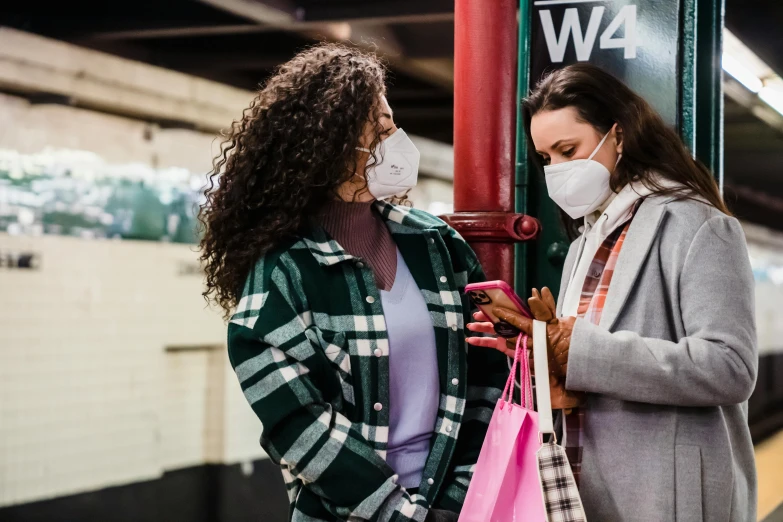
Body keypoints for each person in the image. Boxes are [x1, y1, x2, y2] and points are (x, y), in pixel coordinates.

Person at [198, 43, 507, 522]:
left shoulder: (436, 245)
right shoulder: (282, 278)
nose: (395, 139)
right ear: (327, 146)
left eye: (391, 123)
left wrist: (455, 501)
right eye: (378, 130)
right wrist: (399, 516)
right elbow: (300, 426)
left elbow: (489, 375)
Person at [467, 64, 758, 522]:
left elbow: (730, 367)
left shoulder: (698, 225)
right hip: (584, 484)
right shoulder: (584, 240)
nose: (558, 171)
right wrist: (539, 358)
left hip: (663, 493)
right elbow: (587, 366)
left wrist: (573, 348)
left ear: (618, 136)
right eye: (547, 159)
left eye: (569, 150)